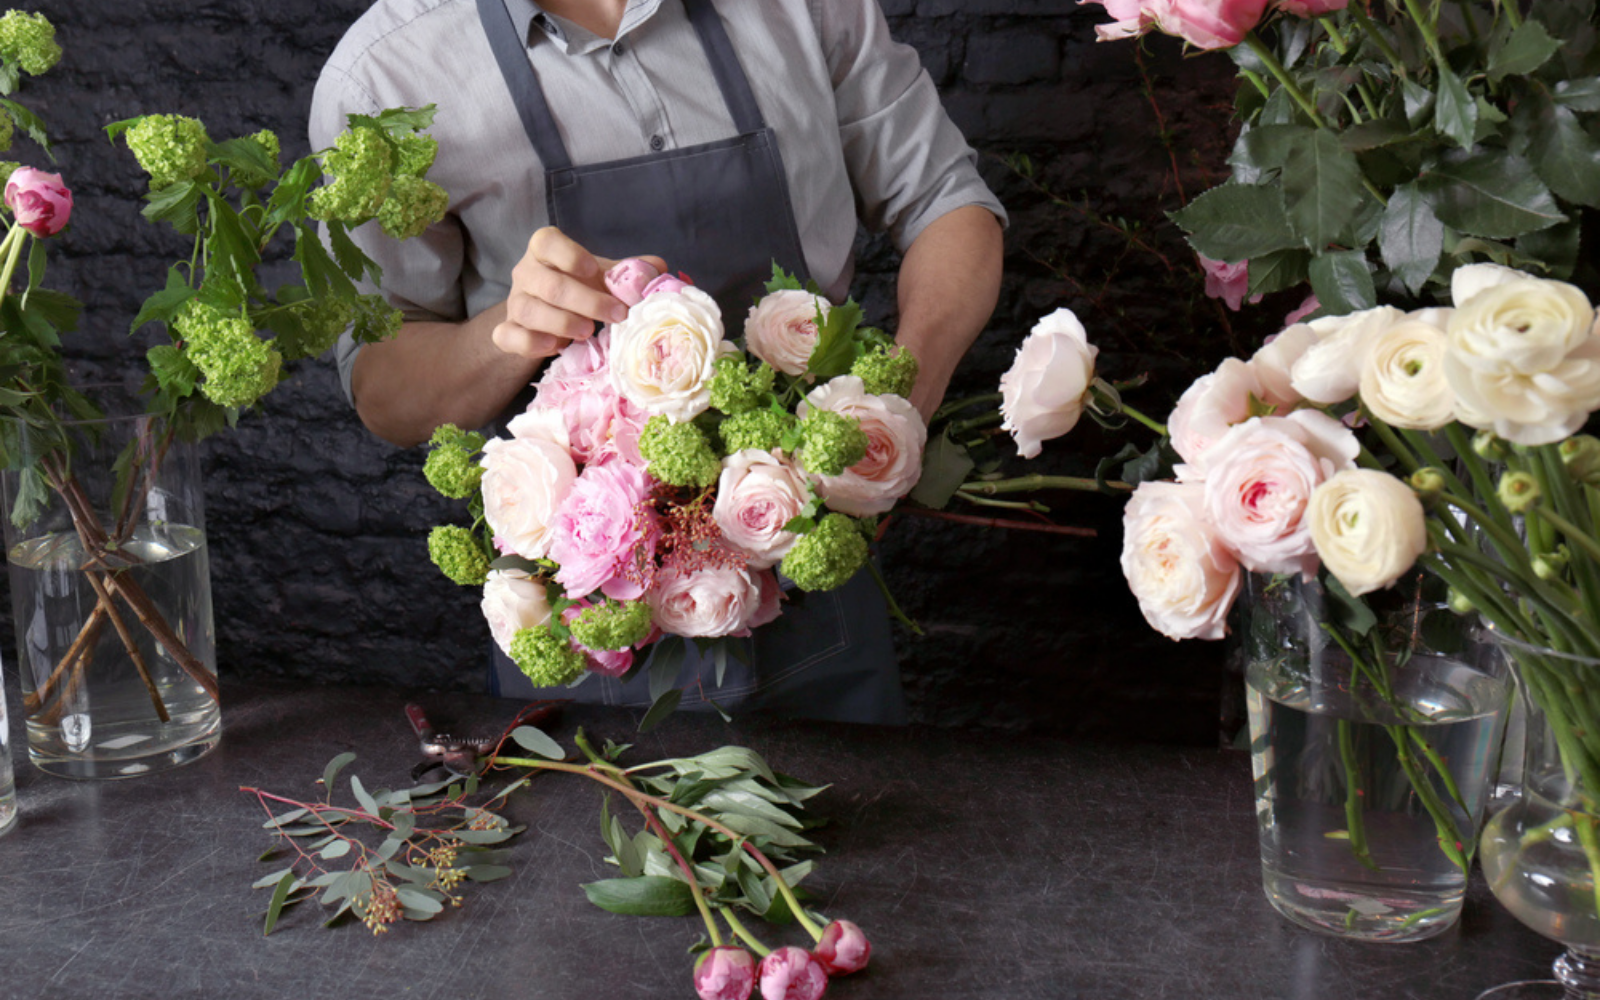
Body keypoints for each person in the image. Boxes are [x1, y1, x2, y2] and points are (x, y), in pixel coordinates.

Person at [310, 0, 1006, 724]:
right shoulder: (382, 78)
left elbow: (947, 202)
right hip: (589, 627)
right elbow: (383, 386)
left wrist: (893, 418)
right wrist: (507, 331)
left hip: (817, 566)